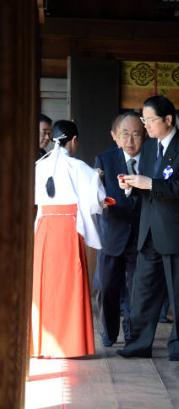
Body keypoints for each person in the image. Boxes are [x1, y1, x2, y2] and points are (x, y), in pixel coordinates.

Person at [117, 95, 179, 361]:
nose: (146, 125)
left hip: (178, 232)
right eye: (144, 120)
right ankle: (138, 344)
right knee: (143, 291)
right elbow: (146, 189)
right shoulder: (150, 147)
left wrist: (149, 184)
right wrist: (132, 187)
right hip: (150, 231)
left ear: (168, 119)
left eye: (150, 120)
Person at [31, 120, 105, 358]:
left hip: (44, 226)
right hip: (67, 227)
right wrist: (98, 177)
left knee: (46, 286)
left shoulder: (38, 165)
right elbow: (96, 199)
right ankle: (69, 344)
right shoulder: (77, 165)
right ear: (74, 141)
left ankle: (43, 344)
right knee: (68, 285)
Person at [94, 111, 145, 347]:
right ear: (115, 136)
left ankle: (132, 335)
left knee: (137, 290)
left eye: (136, 134)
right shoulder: (104, 160)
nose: (131, 141)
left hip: (142, 235)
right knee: (107, 286)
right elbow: (96, 194)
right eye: (125, 134)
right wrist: (99, 201)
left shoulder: (152, 159)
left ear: (144, 135)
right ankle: (109, 332)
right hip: (112, 233)